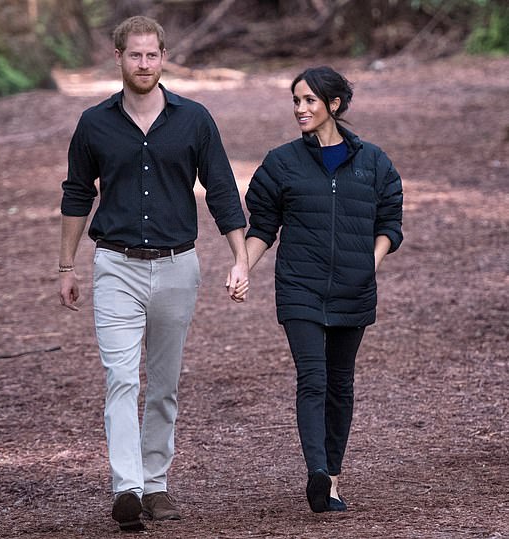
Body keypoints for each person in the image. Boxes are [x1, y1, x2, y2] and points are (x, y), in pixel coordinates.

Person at [58, 15, 249, 531]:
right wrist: (66, 265)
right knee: (121, 378)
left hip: (176, 268)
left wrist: (239, 257)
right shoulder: (94, 124)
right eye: (134, 55)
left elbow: (223, 190)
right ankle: (128, 487)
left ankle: (157, 483)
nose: (143, 64)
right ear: (117, 57)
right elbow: (77, 193)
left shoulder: (194, 120)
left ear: (164, 58)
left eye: (152, 55)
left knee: (162, 384)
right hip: (115, 266)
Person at [236, 66, 403, 513]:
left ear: (333, 105)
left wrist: (368, 264)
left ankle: (332, 476)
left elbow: (390, 223)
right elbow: (263, 226)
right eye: (295, 101)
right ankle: (317, 474)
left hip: (354, 289)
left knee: (340, 384)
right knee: (313, 377)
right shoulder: (282, 162)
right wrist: (242, 267)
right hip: (300, 287)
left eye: (309, 100)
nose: (300, 109)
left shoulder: (374, 162)